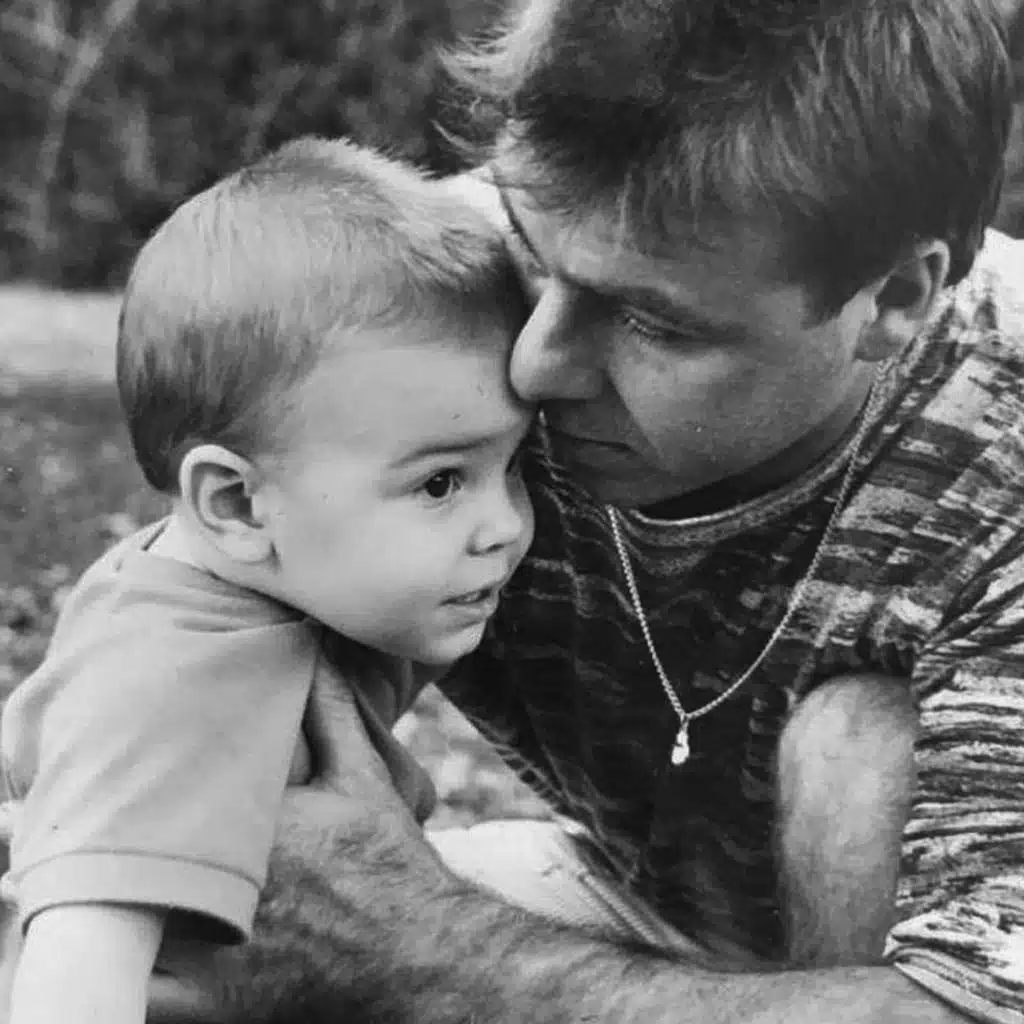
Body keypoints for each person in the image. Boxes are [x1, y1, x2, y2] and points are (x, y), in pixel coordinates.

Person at [0, 136, 534, 1024]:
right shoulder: (171, 684)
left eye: (512, 466)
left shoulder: (277, 589)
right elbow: (74, 978)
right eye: (442, 482)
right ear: (238, 505)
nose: (506, 523)